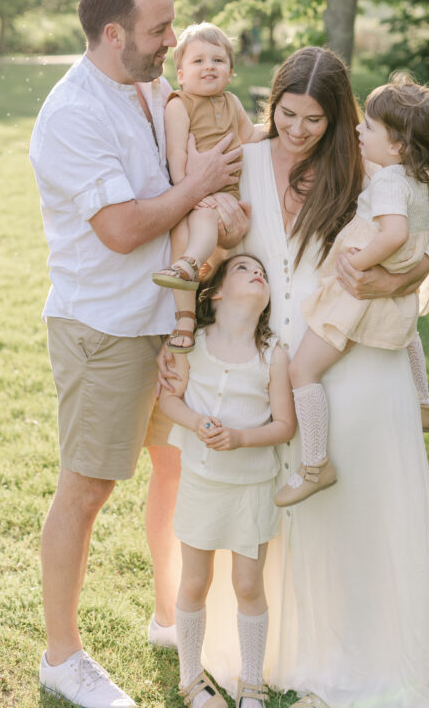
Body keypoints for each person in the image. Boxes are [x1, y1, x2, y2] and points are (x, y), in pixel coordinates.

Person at [163, 47, 429, 708]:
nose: (297, 130)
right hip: (261, 366)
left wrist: (401, 274)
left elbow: (428, 236)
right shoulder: (238, 162)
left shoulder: (364, 169)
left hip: (349, 352)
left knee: (349, 511)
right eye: (286, 114)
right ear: (270, 104)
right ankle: (267, 655)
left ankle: (351, 665)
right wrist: (188, 324)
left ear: (341, 117)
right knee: (261, 517)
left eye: (314, 119)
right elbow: (197, 243)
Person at [29, 0, 248, 708]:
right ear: (114, 34)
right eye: (160, 29)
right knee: (87, 489)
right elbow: (122, 229)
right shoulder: (72, 115)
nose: (173, 41)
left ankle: (167, 616)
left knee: (173, 469)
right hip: (105, 326)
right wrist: (201, 185)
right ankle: (63, 659)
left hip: (167, 320)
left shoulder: (153, 87)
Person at [275, 73, 429, 506]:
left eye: (369, 127)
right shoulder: (417, 177)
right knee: (407, 330)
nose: (358, 128)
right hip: (388, 295)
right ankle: (423, 401)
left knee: (302, 372)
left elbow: (392, 234)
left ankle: (315, 463)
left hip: (354, 295)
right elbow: (426, 228)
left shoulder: (390, 180)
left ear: (397, 146)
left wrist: (356, 262)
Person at [158, 254, 295, 708]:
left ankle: (252, 682)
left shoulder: (273, 354)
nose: (257, 273)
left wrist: (240, 438)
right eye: (242, 268)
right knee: (194, 581)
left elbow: (284, 426)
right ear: (215, 293)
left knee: (248, 586)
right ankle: (191, 678)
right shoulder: (191, 343)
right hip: (202, 484)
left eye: (262, 272)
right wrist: (198, 423)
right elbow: (169, 401)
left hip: (254, 488)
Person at [152, 23, 266, 352]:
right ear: (182, 73)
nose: (208, 67)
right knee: (189, 227)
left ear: (230, 72)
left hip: (226, 196)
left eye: (217, 60)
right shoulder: (179, 103)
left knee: (201, 227)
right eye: (198, 61)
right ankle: (185, 307)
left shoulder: (231, 101)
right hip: (190, 191)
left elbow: (252, 137)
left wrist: (278, 130)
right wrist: (193, 191)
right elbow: (176, 153)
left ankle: (189, 281)